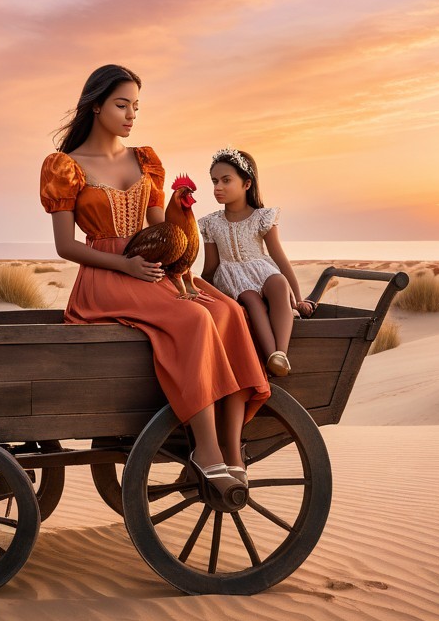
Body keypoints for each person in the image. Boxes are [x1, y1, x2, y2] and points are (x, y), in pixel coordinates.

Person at [39, 65, 270, 500]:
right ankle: (205, 449)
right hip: (106, 276)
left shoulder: (144, 159)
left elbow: (160, 226)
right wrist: (125, 268)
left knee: (226, 310)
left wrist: (186, 257)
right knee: (193, 320)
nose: (131, 115)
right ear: (96, 106)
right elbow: (64, 246)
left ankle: (232, 447)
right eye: (122, 105)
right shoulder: (64, 166)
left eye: (136, 107)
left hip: (153, 266)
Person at [198, 147, 314, 378]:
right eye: (214, 181)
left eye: (226, 180)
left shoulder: (262, 217)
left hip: (261, 268)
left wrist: (299, 299)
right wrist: (200, 292)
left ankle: (281, 353)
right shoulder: (211, 223)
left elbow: (278, 257)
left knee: (279, 283)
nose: (217, 187)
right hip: (232, 276)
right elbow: (210, 268)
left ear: (247, 184)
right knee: (251, 298)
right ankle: (272, 356)